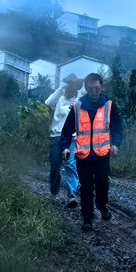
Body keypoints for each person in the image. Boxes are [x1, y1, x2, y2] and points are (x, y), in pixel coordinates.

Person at [59, 72, 123, 231]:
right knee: (86, 186)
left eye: (97, 87)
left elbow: (117, 127)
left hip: (102, 154)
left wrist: (115, 144)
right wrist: (65, 147)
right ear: (86, 88)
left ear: (101, 86)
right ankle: (87, 217)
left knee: (102, 182)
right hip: (83, 155)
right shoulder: (78, 107)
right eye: (91, 88)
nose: (94, 91)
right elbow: (67, 131)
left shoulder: (109, 105)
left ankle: (102, 206)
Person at [45, 73, 83, 207]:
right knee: (55, 167)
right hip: (56, 136)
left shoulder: (78, 103)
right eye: (68, 86)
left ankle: (72, 195)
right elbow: (48, 103)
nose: (69, 90)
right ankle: (54, 191)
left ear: (75, 89)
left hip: (72, 138)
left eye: (72, 87)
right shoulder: (58, 99)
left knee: (70, 164)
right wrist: (61, 88)